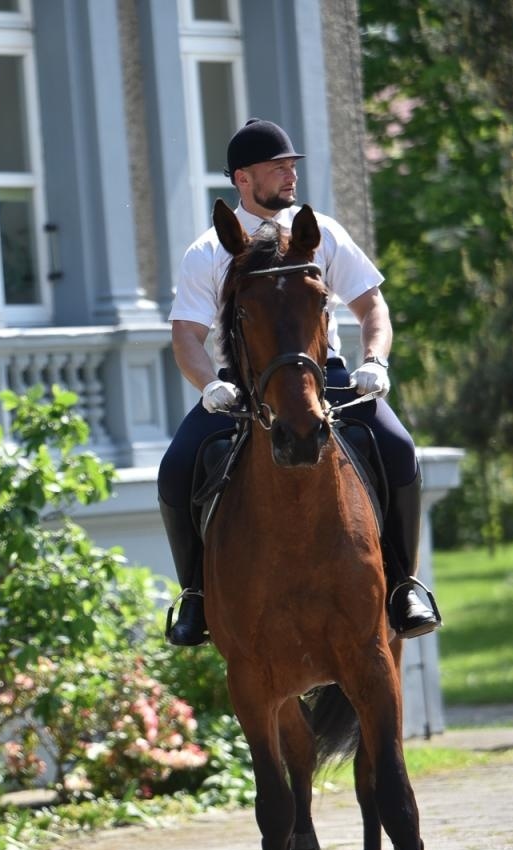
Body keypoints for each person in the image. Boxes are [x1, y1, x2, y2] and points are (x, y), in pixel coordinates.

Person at [158, 118, 440, 646]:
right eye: (277, 167)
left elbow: (371, 305)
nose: (290, 175)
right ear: (243, 178)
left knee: (400, 449)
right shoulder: (208, 252)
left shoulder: (324, 233)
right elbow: (186, 337)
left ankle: (404, 585)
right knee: (175, 469)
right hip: (240, 389)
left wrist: (375, 361)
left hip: (324, 376)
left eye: (292, 166)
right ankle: (196, 597)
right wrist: (207, 386)